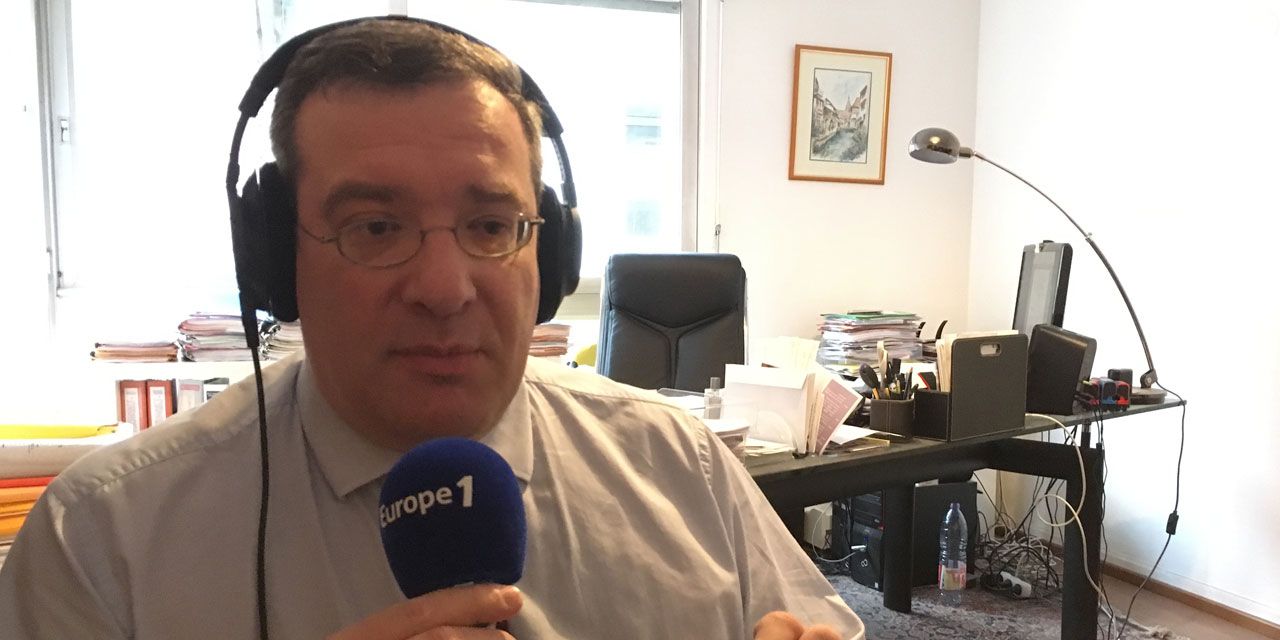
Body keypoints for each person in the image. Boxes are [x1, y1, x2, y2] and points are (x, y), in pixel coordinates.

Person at [0, 18, 864, 639]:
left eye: (491, 226)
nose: (446, 290)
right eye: (375, 227)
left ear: (549, 250)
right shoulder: (103, 539)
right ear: (276, 259)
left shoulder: (681, 467)